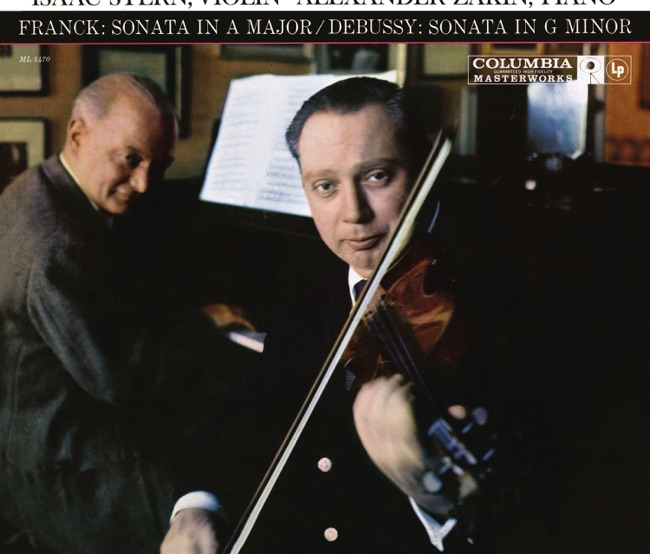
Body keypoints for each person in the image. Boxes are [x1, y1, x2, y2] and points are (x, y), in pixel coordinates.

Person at [161, 77, 496, 554]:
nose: (353, 213)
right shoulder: (309, 296)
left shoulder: (489, 311)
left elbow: (538, 510)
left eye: (377, 176)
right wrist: (196, 506)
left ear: (423, 168)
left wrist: (436, 496)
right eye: (325, 186)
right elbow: (244, 416)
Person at [0, 73, 238, 554]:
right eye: (130, 159)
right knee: (225, 501)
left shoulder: (40, 187)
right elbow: (124, 379)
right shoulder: (56, 245)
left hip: (41, 431)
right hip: (59, 467)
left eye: (160, 165)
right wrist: (206, 326)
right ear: (77, 134)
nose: (145, 183)